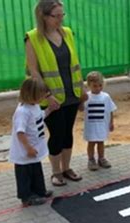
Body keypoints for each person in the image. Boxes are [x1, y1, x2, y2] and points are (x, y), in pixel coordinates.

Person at [25, 0, 87, 186]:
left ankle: (67, 168)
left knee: (68, 133)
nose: (60, 19)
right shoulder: (33, 38)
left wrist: (82, 89)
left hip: (72, 94)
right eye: (56, 16)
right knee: (57, 134)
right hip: (51, 99)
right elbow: (33, 71)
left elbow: (76, 64)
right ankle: (56, 172)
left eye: (62, 15)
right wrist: (47, 95)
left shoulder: (67, 33)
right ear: (43, 16)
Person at [9, 78, 54, 207]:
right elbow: (20, 132)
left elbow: (39, 117)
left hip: (35, 147)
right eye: (41, 95)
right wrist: (28, 148)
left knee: (36, 171)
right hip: (25, 152)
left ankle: (40, 191)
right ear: (31, 95)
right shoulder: (23, 111)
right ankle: (27, 197)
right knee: (25, 174)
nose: (43, 98)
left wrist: (49, 110)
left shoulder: (34, 105)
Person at [83, 71, 117, 171]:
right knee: (91, 143)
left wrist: (111, 122)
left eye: (100, 85)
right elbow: (81, 108)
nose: (97, 88)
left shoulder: (106, 97)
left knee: (101, 142)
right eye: (94, 86)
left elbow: (110, 110)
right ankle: (91, 159)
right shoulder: (86, 97)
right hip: (91, 126)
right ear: (89, 85)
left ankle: (101, 158)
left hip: (102, 125)